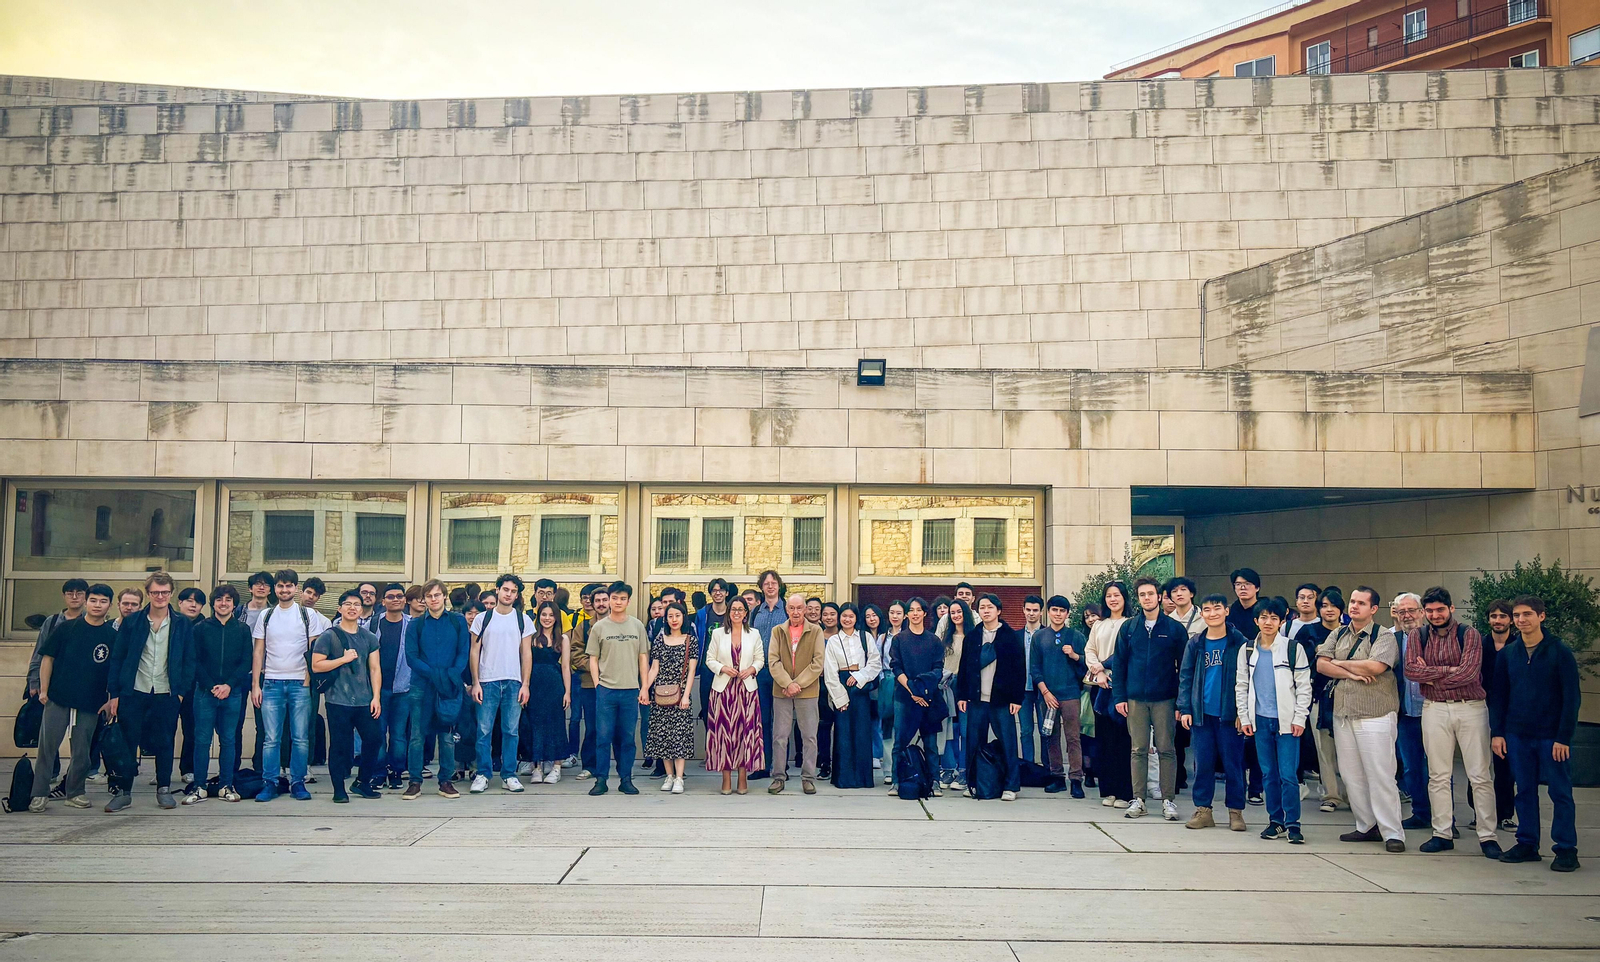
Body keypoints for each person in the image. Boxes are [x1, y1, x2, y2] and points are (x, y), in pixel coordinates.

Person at [1405, 586, 1501, 858]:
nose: (1435, 615)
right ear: (1425, 612)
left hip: (1470, 708)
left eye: (1440, 610)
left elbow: (1469, 674)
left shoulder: (1468, 634)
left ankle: (1487, 836)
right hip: (1434, 709)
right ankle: (1442, 833)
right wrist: (1448, 670)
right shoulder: (1417, 635)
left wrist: (1431, 675)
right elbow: (1411, 670)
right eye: (1430, 610)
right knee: (1438, 775)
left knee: (1480, 775)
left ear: (1451, 609)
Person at [1492, 596, 1582, 872]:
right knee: (1524, 791)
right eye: (1517, 615)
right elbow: (1499, 696)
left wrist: (1563, 737)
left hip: (1551, 737)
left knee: (1560, 792)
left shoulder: (1559, 652)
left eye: (1527, 614)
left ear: (1541, 616)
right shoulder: (1508, 654)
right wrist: (1498, 733)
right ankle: (1527, 843)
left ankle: (1566, 849)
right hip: (1517, 734)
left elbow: (1571, 698)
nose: (1521, 620)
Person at [1317, 586, 1406, 853]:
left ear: (1373, 609)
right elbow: (1321, 664)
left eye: (1361, 603)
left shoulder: (1384, 636)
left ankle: (1392, 832)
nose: (1354, 606)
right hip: (1343, 713)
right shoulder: (1338, 633)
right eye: (1352, 602)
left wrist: (1340, 664)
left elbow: (1376, 667)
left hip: (1375, 713)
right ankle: (1366, 826)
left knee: (1380, 774)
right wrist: (1354, 672)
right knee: (1352, 774)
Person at [105, 571, 193, 812]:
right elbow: (118, 658)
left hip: (167, 692)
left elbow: (189, 659)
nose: (160, 596)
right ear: (148, 593)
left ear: (171, 594)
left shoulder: (182, 623)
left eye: (165, 592)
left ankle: (163, 789)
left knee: (165, 741)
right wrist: (115, 693)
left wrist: (181, 692)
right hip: (134, 690)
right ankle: (124, 792)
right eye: (155, 592)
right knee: (128, 741)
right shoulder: (132, 622)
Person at [28, 583, 115, 812]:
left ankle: (75, 792)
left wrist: (110, 699)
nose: (97, 605)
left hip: (90, 702)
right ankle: (39, 793)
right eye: (93, 600)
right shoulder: (66, 628)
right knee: (47, 747)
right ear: (86, 602)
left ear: (109, 605)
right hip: (58, 697)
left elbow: (115, 672)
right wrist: (44, 690)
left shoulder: (111, 635)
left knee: (82, 750)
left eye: (103, 601)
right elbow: (47, 659)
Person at [1110, 576, 1187, 821]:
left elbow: (1185, 668)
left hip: (1165, 698)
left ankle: (1168, 800)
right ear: (1139, 598)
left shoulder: (1174, 629)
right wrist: (1119, 696)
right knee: (1138, 749)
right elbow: (1119, 664)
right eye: (1142, 594)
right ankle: (1139, 799)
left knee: (1166, 749)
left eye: (1151, 594)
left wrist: (1181, 703)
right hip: (1135, 699)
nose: (1147, 598)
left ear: (1160, 596)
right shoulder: (1129, 628)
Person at [251, 569, 331, 803]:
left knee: (300, 737)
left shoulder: (308, 615)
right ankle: (270, 782)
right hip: (272, 683)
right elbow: (258, 651)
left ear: (296, 588)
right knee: (271, 738)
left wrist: (307, 679)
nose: (284, 590)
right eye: (280, 586)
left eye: (289, 586)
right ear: (275, 589)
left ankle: (298, 782)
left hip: (299, 684)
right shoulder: (265, 615)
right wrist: (256, 685)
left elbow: (314, 649)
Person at [1236, 597, 1312, 844]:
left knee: (1288, 774)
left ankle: (1293, 824)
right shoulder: (1247, 649)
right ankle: (1275, 821)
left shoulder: (1292, 648)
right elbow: (1242, 686)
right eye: (1264, 618)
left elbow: (1303, 686)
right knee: (1268, 774)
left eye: (1274, 618)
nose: (1268, 622)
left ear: (1282, 621)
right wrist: (1244, 716)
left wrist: (1300, 717)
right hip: (1260, 721)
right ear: (1256, 620)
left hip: (1287, 722)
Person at [1178, 593, 1249, 831]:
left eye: (1217, 608)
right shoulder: (1196, 642)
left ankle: (1236, 812)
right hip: (1202, 714)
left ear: (1226, 611)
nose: (1212, 613)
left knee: (1234, 765)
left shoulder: (1239, 642)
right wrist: (1185, 708)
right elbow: (1185, 676)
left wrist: (1244, 712)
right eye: (1207, 609)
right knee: (1203, 764)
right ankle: (1203, 810)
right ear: (1202, 614)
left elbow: (1248, 679)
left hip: (1230, 715)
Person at [312, 590, 384, 803]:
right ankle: (339, 789)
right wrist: (342, 660)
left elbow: (375, 669)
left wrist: (376, 697)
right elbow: (316, 665)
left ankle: (362, 782)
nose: (352, 608)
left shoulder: (369, 637)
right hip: (338, 700)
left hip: (364, 700)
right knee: (340, 746)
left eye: (356, 604)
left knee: (374, 739)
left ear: (361, 610)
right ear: (340, 608)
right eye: (348, 604)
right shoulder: (329, 635)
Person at [403, 579, 470, 799]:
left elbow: (463, 652)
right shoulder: (416, 625)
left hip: (449, 686)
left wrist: (452, 674)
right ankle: (414, 781)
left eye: (437, 595)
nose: (433, 599)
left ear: (444, 596)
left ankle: (445, 781)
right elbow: (411, 657)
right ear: (425, 599)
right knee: (417, 735)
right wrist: (434, 674)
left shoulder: (457, 621)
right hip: (422, 686)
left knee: (447, 736)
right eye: (429, 596)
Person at [185, 584, 252, 805]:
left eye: (228, 600)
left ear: (234, 604)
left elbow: (246, 661)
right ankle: (199, 787)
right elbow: (194, 661)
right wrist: (212, 685)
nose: (224, 604)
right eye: (219, 600)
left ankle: (226, 785)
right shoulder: (200, 628)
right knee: (202, 740)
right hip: (205, 693)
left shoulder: (242, 629)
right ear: (213, 603)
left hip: (232, 694)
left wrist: (229, 686)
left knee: (229, 740)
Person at [956, 594, 1026, 801]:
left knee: (1008, 742)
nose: (986, 611)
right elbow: (964, 668)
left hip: (1002, 700)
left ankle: (1011, 786)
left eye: (990, 607)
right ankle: (974, 784)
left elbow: (1019, 670)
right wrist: (962, 695)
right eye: (982, 607)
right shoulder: (973, 636)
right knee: (973, 742)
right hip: (977, 700)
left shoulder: (1009, 636)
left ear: (998, 610)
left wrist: (1017, 699)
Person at [469, 574, 533, 794]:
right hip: (487, 681)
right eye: (505, 589)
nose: (509, 594)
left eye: (513, 591)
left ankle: (509, 774)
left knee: (511, 731)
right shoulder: (482, 619)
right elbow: (474, 651)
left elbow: (526, 653)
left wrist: (525, 684)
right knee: (484, 731)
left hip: (513, 682)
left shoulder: (523, 619)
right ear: (497, 590)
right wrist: (475, 682)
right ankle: (483, 774)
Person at [587, 581, 649, 796]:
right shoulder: (599, 627)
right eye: (615, 598)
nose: (618, 602)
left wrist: (644, 687)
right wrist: (598, 683)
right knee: (603, 737)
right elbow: (592, 658)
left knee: (627, 738)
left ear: (628, 601)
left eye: (623, 598)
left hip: (631, 690)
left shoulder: (637, 626)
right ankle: (601, 779)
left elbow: (643, 658)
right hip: (607, 690)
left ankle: (626, 779)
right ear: (609, 599)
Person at [1293, 587, 1346, 814]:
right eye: (1324, 605)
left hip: (1347, 697)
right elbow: (1301, 664)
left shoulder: (1349, 632)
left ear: (1341, 610)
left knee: (1348, 749)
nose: (1328, 610)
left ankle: (1354, 794)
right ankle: (1330, 794)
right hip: (1318, 696)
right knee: (1324, 748)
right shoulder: (1307, 632)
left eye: (1333, 605)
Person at [705, 596, 765, 795]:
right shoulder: (718, 634)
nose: (737, 613)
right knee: (724, 735)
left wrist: (752, 669)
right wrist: (723, 668)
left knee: (744, 734)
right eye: (733, 609)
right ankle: (725, 778)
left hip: (746, 690)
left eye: (740, 609)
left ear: (746, 613)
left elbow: (760, 659)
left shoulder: (754, 634)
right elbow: (709, 659)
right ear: (729, 613)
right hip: (723, 690)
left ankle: (742, 777)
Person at [767, 593, 824, 795]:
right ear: (787, 610)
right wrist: (786, 683)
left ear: (806, 609)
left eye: (800, 608)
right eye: (792, 608)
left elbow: (817, 663)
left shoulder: (816, 631)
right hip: (781, 691)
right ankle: (779, 777)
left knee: (809, 736)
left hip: (807, 691)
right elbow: (773, 661)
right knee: (780, 736)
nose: (796, 612)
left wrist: (796, 684)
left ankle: (808, 778)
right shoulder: (777, 631)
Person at [1031, 595, 1087, 797]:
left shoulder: (1076, 636)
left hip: (1071, 694)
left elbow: (1087, 664)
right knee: (1050, 737)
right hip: (1047, 695)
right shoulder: (1039, 637)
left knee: (1073, 738)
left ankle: (1076, 779)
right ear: (1048, 611)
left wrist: (1074, 655)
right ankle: (1057, 776)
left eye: (1062, 611)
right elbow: (1035, 668)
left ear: (1067, 614)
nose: (1058, 614)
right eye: (1054, 610)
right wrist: (1045, 692)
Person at [1085, 581, 1132, 808]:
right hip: (1100, 686)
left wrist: (1105, 669)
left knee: (1123, 740)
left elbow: (1126, 653)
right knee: (1104, 739)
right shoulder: (1099, 625)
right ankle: (1109, 790)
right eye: (1109, 595)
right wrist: (1099, 671)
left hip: (1122, 685)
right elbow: (1089, 650)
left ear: (1124, 598)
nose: (1113, 599)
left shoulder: (1131, 623)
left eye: (1117, 595)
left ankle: (1125, 792)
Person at [824, 603, 881, 790]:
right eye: (844, 616)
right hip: (840, 684)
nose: (847, 619)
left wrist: (858, 677)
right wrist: (840, 699)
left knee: (862, 732)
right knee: (843, 732)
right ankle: (844, 778)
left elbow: (875, 663)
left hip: (861, 685)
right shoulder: (833, 641)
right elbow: (830, 672)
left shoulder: (864, 637)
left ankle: (863, 779)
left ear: (857, 618)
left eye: (851, 616)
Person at [644, 602, 696, 794]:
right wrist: (645, 688)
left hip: (680, 693)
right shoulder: (659, 639)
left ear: (683, 617)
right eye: (670, 616)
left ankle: (680, 778)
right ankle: (669, 775)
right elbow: (654, 668)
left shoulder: (690, 640)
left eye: (677, 616)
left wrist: (686, 696)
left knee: (679, 737)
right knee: (663, 737)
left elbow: (691, 671)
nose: (674, 620)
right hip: (660, 693)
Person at [1389, 592, 1431, 830]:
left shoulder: (1433, 638)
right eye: (1401, 611)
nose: (1407, 616)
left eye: (1411, 610)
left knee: (1438, 768)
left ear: (1421, 612)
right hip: (1405, 713)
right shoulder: (1392, 640)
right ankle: (1421, 812)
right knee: (1411, 766)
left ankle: (1447, 818)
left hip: (1432, 711)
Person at [520, 600, 572, 784]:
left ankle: (556, 767)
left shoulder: (563, 639)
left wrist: (567, 692)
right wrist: (524, 685)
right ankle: (537, 767)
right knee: (534, 725)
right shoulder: (531, 636)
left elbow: (565, 666)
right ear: (538, 616)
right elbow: (525, 662)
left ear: (556, 617)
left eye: (551, 615)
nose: (547, 618)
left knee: (556, 724)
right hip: (534, 684)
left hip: (554, 684)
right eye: (544, 614)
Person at [1479, 599, 1518, 830]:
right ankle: (1479, 812)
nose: (1498, 620)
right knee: (1479, 763)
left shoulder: (1518, 646)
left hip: (1508, 712)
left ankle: (1505, 813)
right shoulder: (1480, 646)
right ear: (1488, 620)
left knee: (1504, 765)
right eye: (1494, 616)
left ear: (1510, 620)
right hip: (1480, 708)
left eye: (1503, 616)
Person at [369, 584, 414, 790]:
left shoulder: (412, 624)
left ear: (404, 600)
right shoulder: (374, 624)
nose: (395, 599)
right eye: (390, 596)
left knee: (398, 735)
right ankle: (378, 773)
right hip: (378, 689)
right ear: (383, 601)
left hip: (403, 689)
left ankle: (396, 771)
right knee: (377, 733)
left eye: (399, 596)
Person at [749, 570, 788, 780]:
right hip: (761, 672)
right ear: (761, 587)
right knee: (762, 719)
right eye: (766, 583)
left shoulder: (788, 610)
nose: (770, 586)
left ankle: (781, 767)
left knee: (782, 721)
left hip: (781, 672)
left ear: (779, 586)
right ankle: (763, 765)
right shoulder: (756, 612)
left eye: (774, 583)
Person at [27, 577, 87, 698]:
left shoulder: (91, 621)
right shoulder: (52, 621)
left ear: (86, 596)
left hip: (82, 682)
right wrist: (34, 681)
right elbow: (39, 653)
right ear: (63, 596)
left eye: (79, 593)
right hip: (52, 681)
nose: (74, 597)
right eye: (70, 593)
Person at [937, 598, 971, 791]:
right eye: (953, 613)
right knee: (949, 731)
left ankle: (964, 771)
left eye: (959, 612)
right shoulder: (946, 637)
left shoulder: (973, 636)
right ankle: (949, 769)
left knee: (965, 731)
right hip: (947, 686)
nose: (956, 615)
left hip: (965, 687)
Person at [570, 585, 603, 779]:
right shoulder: (583, 627)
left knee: (617, 728)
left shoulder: (622, 625)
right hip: (590, 684)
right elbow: (576, 654)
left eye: (604, 600)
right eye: (596, 600)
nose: (600, 603)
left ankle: (621, 767)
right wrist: (595, 668)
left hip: (616, 684)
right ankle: (590, 765)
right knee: (592, 726)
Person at [1017, 595, 1044, 765]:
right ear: (1023, 610)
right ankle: (1028, 767)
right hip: (1022, 690)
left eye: (1035, 610)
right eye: (1028, 610)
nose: (1031, 613)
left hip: (1043, 690)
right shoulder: (1016, 635)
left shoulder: (1047, 634)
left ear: (1041, 612)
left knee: (1045, 730)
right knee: (1026, 731)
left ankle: (1047, 768)